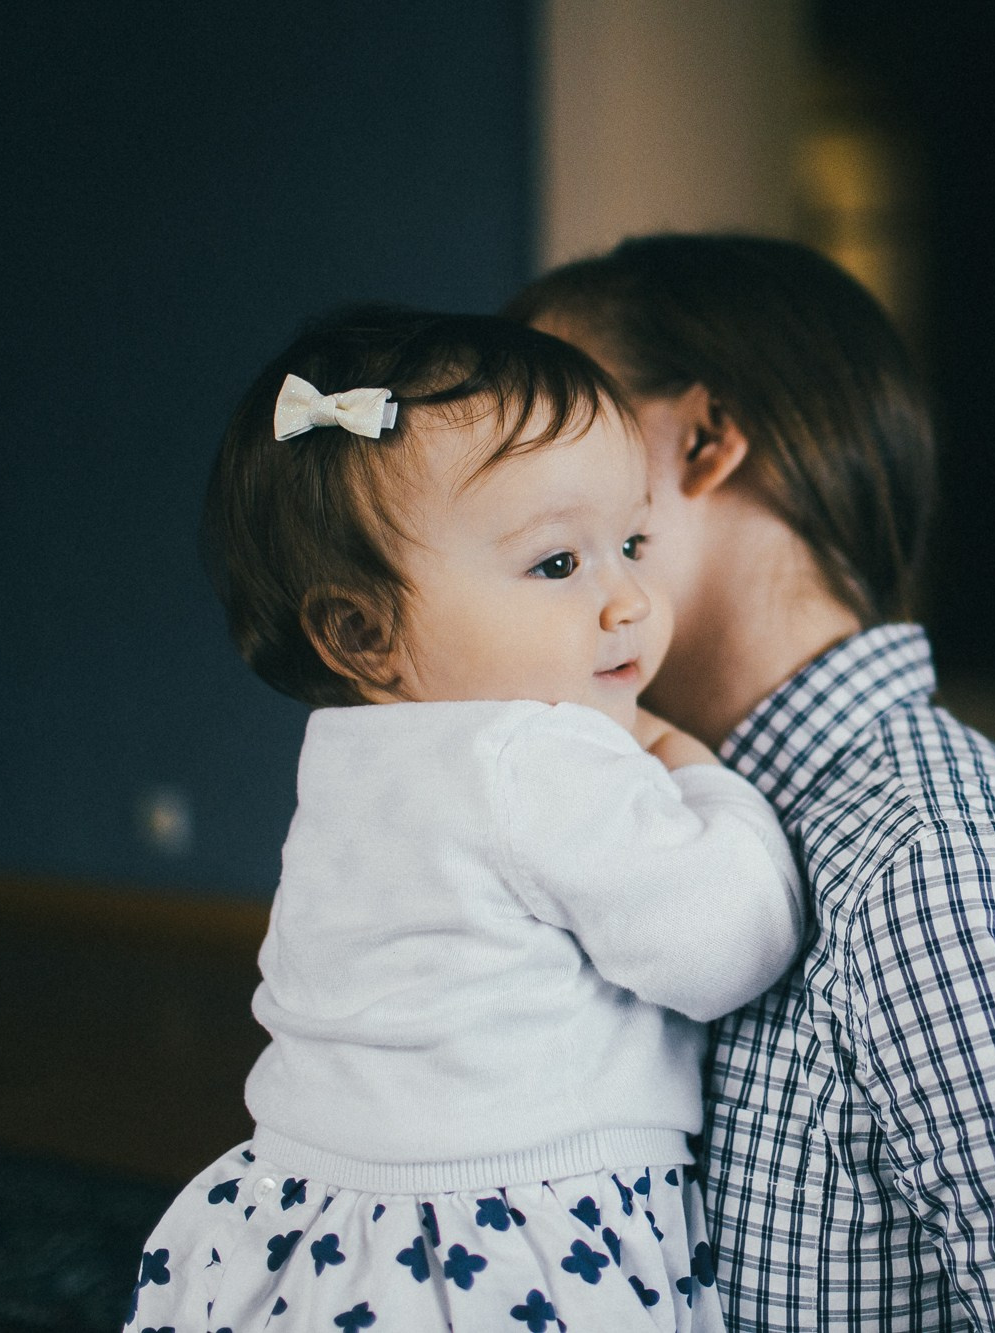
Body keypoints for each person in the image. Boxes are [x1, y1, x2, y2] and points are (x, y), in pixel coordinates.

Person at [505, 235, 995, 1331]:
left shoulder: (931, 882)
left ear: (702, 441)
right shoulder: (633, 813)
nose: (506, 494)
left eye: (550, 433)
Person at [125, 307, 804, 1332]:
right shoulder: (534, 750)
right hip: (503, 1234)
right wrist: (701, 773)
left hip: (309, 1213)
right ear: (363, 631)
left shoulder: (348, 755)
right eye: (557, 565)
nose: (625, 601)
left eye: (628, 543)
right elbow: (726, 945)